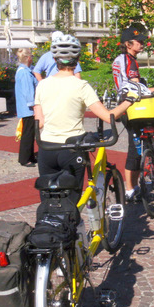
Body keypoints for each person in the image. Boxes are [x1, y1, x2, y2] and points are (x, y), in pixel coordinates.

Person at [34, 32, 133, 197]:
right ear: (78, 58)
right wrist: (129, 100)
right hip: (72, 149)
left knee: (48, 198)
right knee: (72, 201)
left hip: (46, 148)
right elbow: (109, 117)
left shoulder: (42, 85)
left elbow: (40, 122)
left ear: (54, 59)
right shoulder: (81, 86)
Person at [112, 26, 154, 202]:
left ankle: (136, 185)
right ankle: (130, 189)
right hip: (130, 106)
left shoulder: (122, 59)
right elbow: (136, 88)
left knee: (140, 144)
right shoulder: (129, 61)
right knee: (135, 147)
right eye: (138, 41)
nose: (142, 43)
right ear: (128, 44)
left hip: (126, 104)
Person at [15, 47, 38, 167]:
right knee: (28, 134)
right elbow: (28, 91)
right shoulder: (24, 72)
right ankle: (24, 158)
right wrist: (33, 105)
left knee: (29, 133)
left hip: (25, 108)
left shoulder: (23, 70)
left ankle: (29, 156)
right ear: (28, 58)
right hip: (27, 108)